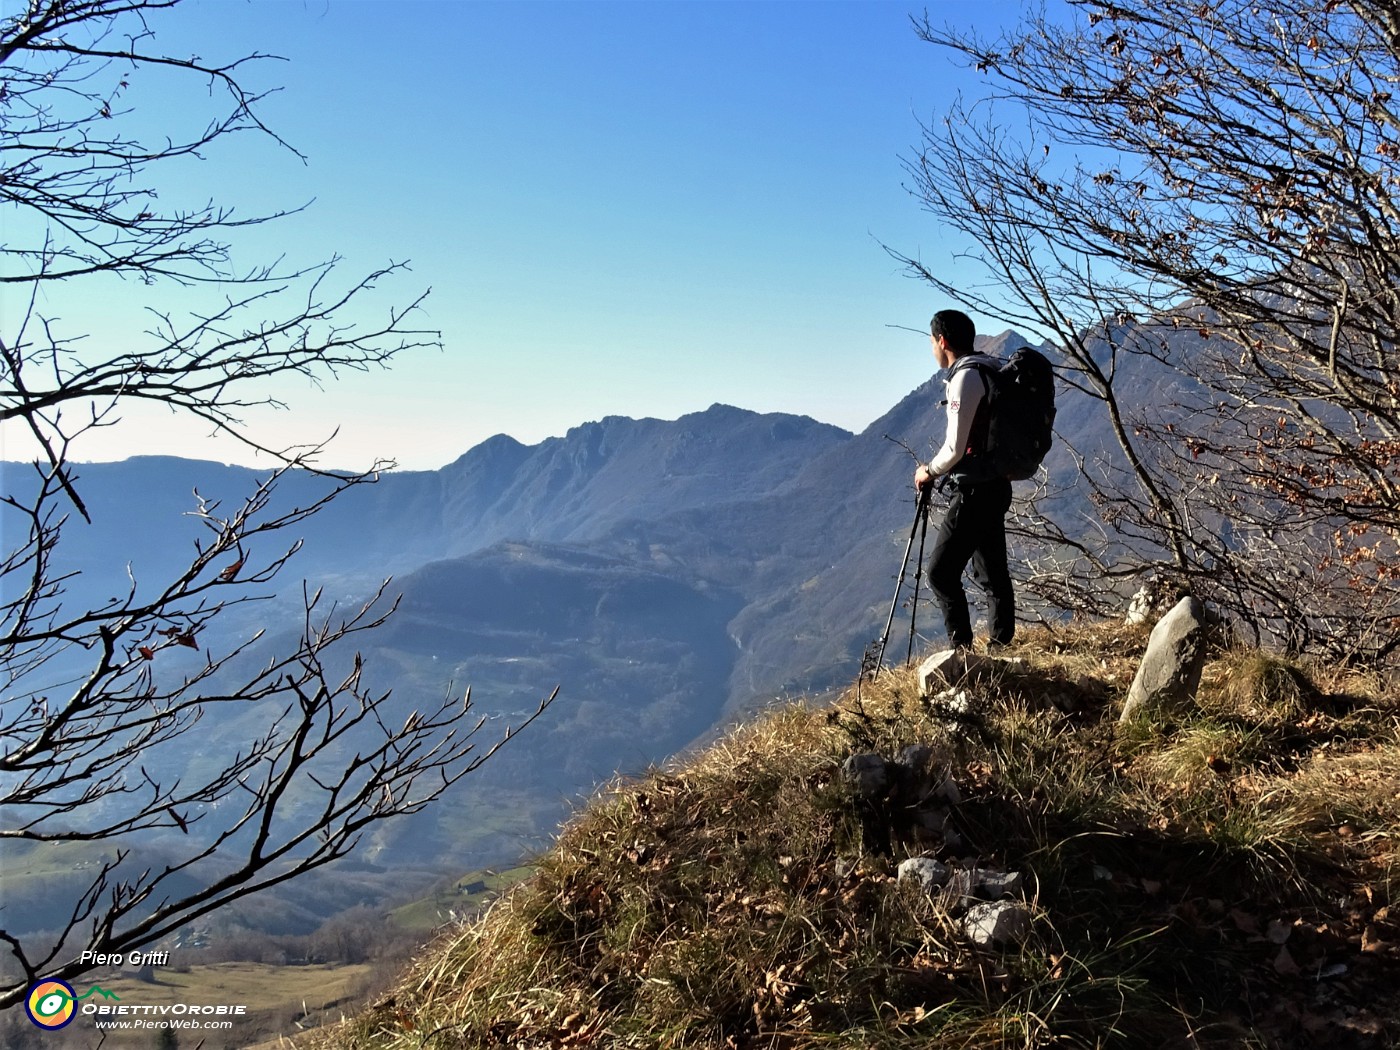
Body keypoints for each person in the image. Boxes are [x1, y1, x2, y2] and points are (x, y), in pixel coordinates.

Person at [913, 309, 1015, 651]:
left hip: (974, 489)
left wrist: (927, 470)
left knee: (940, 573)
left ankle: (962, 651)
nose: (932, 350)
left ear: (942, 341)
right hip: (996, 483)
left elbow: (955, 449)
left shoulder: (965, 378)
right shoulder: (989, 368)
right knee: (992, 573)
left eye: (931, 343)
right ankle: (999, 648)